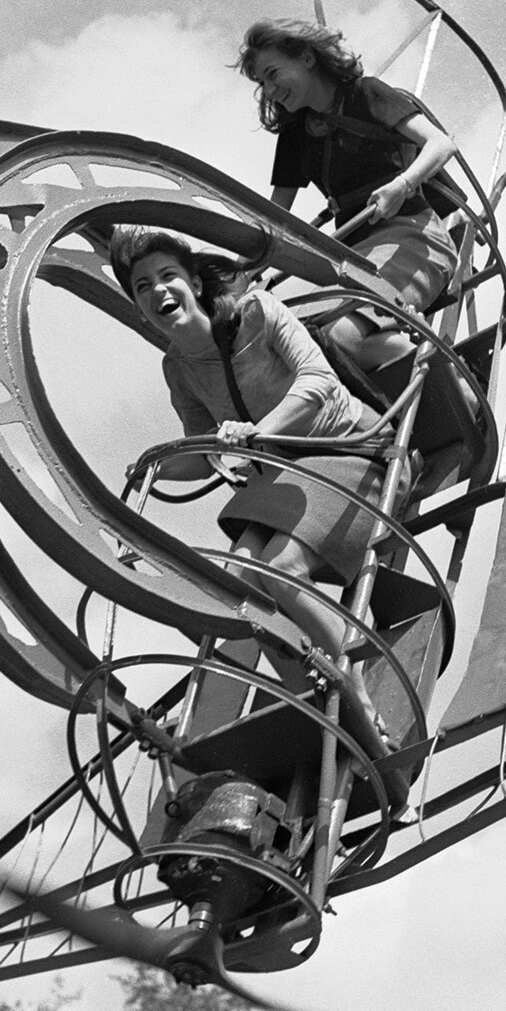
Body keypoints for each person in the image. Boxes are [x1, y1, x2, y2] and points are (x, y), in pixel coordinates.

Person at [112, 226, 399, 735]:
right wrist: (152, 469)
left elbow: (319, 383)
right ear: (138, 306)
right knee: (239, 581)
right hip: (286, 477)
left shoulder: (260, 312)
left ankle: (356, 691)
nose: (158, 290)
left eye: (168, 276)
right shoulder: (178, 367)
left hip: (352, 450)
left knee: (281, 567)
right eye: (142, 286)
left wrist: (256, 433)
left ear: (195, 283)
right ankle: (312, 694)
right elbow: (205, 453)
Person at [237, 18, 460, 371]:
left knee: (343, 336)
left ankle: (454, 379)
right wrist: (242, 271)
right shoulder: (295, 134)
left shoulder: (366, 94)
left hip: (412, 237)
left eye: (273, 73)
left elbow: (440, 144)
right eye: (262, 83)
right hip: (354, 259)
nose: (270, 89)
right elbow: (274, 219)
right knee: (300, 341)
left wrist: (401, 186)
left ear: (307, 58)